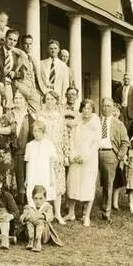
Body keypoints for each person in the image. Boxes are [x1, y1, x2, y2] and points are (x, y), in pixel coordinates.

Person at [65, 99, 100, 227]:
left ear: (92, 110)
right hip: (76, 157)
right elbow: (71, 139)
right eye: (84, 108)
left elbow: (96, 143)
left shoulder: (95, 123)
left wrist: (85, 156)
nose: (86, 111)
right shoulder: (77, 122)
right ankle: (71, 213)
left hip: (89, 159)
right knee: (73, 183)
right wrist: (74, 154)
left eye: (89, 109)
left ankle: (86, 215)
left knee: (88, 185)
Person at [39, 91, 70, 222]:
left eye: (52, 99)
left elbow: (65, 137)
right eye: (47, 99)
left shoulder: (60, 118)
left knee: (58, 184)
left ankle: (58, 213)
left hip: (58, 154)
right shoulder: (40, 116)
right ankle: (45, 213)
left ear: (56, 101)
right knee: (45, 182)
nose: (50, 102)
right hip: (44, 153)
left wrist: (66, 155)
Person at [98, 97, 129, 220]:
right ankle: (85, 211)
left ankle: (106, 212)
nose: (106, 108)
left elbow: (125, 141)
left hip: (110, 154)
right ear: (101, 107)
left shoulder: (118, 123)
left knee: (108, 184)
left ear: (113, 108)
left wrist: (119, 156)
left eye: (109, 106)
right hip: (94, 153)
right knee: (89, 181)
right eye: (104, 106)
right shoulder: (96, 121)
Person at [6, 29, 42, 112]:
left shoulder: (31, 59)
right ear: (22, 44)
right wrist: (15, 74)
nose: (28, 46)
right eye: (26, 44)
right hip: (20, 89)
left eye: (30, 44)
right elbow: (12, 72)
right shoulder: (15, 55)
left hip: (32, 90)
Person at [24, 119, 58, 207]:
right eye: (35, 131)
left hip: (45, 173)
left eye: (39, 131)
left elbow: (51, 163)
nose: (37, 133)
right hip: (33, 173)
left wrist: (51, 177)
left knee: (44, 193)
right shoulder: (30, 145)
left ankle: (43, 215)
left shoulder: (48, 144)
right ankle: (32, 213)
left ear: (43, 132)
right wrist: (27, 178)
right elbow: (28, 163)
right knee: (31, 192)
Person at [9, 90, 33, 206]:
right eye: (16, 98)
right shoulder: (9, 114)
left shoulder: (30, 116)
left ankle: (22, 203)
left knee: (22, 177)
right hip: (9, 151)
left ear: (25, 101)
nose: (17, 100)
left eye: (20, 98)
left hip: (24, 152)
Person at [20, 185, 53, 252]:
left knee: (40, 220)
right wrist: (30, 218)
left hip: (43, 234)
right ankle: (31, 240)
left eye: (41, 198)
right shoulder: (29, 207)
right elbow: (22, 217)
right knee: (30, 217)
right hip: (29, 233)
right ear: (32, 198)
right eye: (36, 198)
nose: (38, 201)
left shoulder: (47, 206)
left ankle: (38, 242)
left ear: (45, 198)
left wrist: (42, 216)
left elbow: (50, 217)